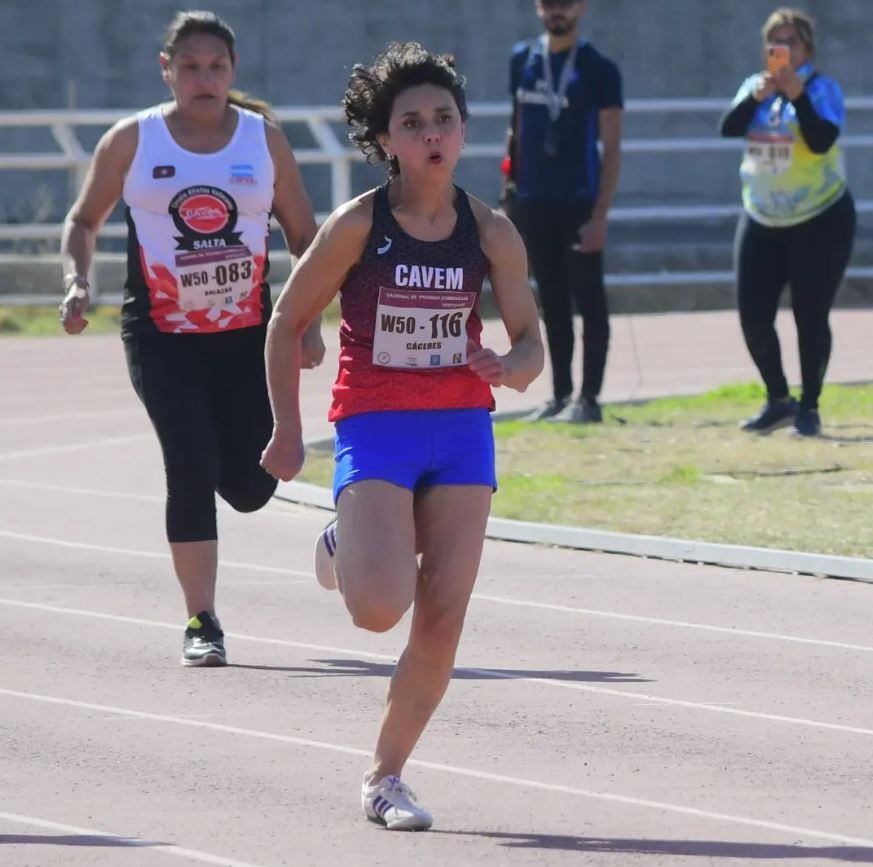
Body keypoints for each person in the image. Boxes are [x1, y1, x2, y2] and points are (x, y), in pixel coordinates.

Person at [260, 42, 543, 830]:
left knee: (443, 614)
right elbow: (287, 319)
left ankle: (386, 776)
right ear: (385, 140)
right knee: (377, 608)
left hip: (459, 428)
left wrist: (510, 365)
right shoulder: (359, 225)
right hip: (376, 421)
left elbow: (531, 342)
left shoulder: (491, 233)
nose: (430, 133)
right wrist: (287, 428)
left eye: (443, 119)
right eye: (412, 122)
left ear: (462, 132)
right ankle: (343, 539)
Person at [58, 10, 323, 666]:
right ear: (166, 70)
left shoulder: (263, 141)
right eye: (190, 67)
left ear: (233, 72)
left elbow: (304, 235)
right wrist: (76, 282)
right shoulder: (133, 141)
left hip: (247, 336)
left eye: (217, 67)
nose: (204, 79)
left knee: (252, 484)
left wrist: (309, 319)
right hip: (160, 334)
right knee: (190, 460)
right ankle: (201, 619)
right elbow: (82, 219)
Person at [721, 8, 855, 437]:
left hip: (820, 217)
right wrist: (754, 99)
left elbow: (820, 141)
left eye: (792, 42)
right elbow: (729, 128)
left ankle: (810, 408)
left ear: (807, 49)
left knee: (809, 316)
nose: (783, 50)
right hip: (762, 217)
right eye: (775, 42)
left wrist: (798, 95)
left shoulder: (823, 89)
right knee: (752, 314)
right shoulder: (754, 88)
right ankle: (778, 399)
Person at [504, 0, 623, 423]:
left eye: (565, 3)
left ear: (583, 7)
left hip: (579, 202)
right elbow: (516, 129)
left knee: (589, 300)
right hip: (534, 201)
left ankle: (589, 399)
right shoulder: (523, 59)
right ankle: (559, 394)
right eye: (548, 3)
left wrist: (601, 215)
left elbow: (612, 149)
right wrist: (510, 191)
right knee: (551, 302)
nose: (557, 11)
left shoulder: (600, 69)